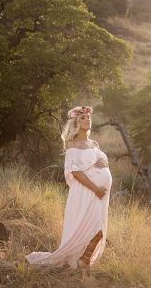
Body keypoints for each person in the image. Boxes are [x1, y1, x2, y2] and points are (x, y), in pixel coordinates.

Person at [26, 106, 111, 269]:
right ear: (76, 124)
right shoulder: (73, 145)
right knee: (91, 225)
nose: (87, 120)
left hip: (101, 194)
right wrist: (95, 189)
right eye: (83, 118)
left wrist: (105, 163)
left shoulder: (94, 144)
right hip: (87, 192)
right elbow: (76, 172)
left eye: (88, 117)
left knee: (99, 226)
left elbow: (99, 163)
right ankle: (82, 259)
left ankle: (85, 258)